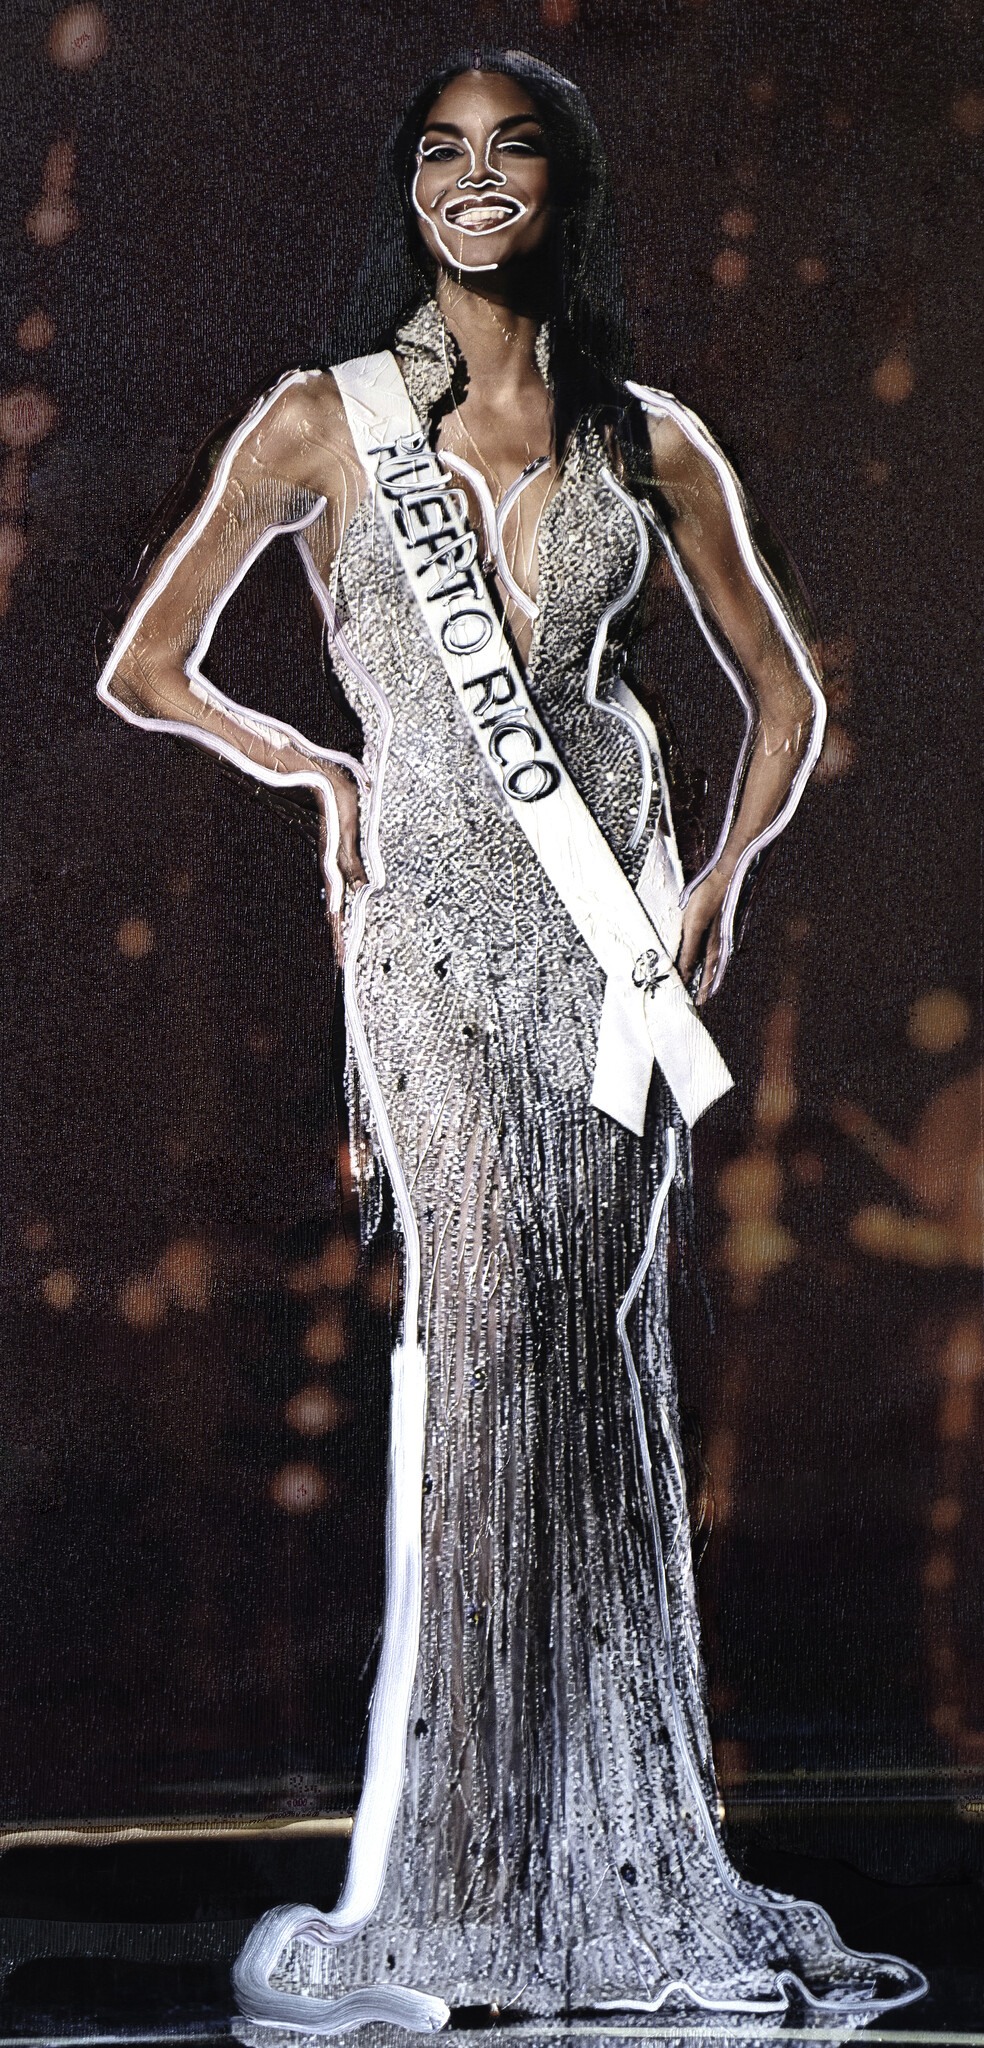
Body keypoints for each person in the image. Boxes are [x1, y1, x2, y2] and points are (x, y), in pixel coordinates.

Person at [97, 48, 925, 2037]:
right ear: (412, 195)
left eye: (516, 151)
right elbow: (150, 658)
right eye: (447, 158)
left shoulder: (654, 444)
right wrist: (303, 760)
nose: (481, 183)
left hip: (611, 935)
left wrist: (712, 887)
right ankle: (461, 1886)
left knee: (590, 1337)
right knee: (488, 1338)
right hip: (434, 947)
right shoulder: (322, 423)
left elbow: (786, 705)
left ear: (564, 187)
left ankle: (618, 1868)